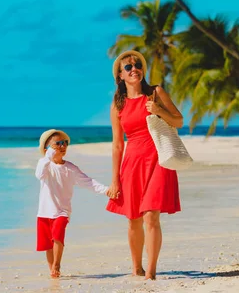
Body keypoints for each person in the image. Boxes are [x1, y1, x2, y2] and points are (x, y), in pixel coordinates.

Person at [105, 50, 183, 280]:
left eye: (137, 64)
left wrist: (158, 110)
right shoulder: (117, 106)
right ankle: (136, 267)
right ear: (120, 75)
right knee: (133, 219)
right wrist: (114, 179)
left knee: (151, 215)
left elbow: (178, 120)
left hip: (159, 159)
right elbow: (118, 145)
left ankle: (151, 271)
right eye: (128, 67)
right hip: (133, 162)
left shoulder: (155, 93)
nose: (134, 69)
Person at [35, 129, 114, 278]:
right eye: (57, 144)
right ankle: (52, 269)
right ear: (47, 149)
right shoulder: (44, 165)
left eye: (64, 143)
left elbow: (89, 182)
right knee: (48, 245)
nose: (62, 146)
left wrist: (106, 190)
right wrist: (48, 156)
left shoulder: (70, 168)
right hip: (44, 212)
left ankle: (57, 264)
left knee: (58, 236)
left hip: (62, 211)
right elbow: (39, 174)